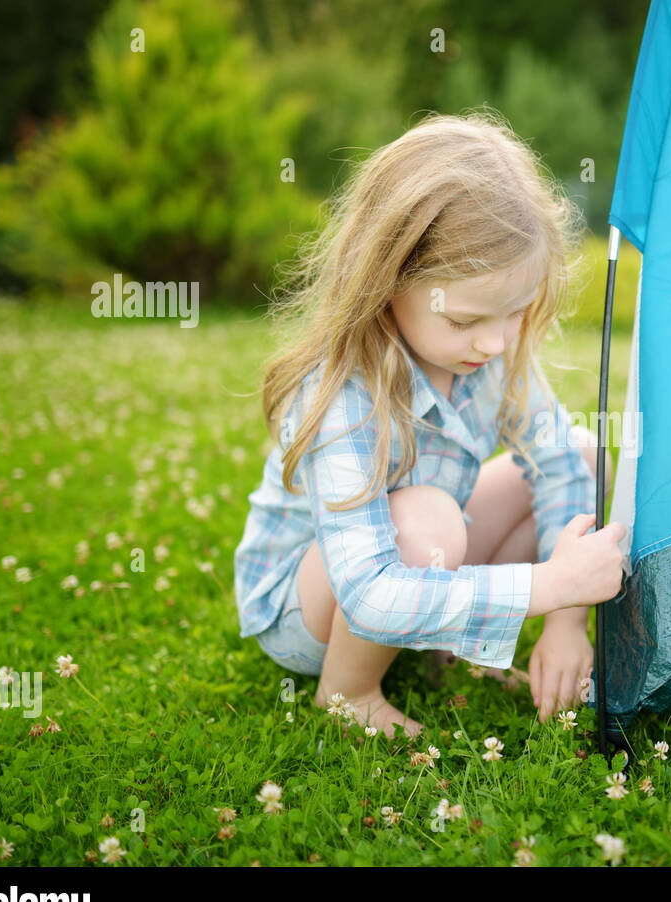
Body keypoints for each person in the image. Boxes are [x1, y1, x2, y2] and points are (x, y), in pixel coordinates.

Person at [233, 110, 627, 739]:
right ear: (388, 282)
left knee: (580, 454)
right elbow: (366, 592)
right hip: (315, 609)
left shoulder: (494, 354)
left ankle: (444, 647)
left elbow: (555, 468)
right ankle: (348, 694)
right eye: (467, 320)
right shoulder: (346, 392)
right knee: (426, 518)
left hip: (420, 567)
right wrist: (548, 585)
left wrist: (565, 622)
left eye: (515, 312)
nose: (495, 342)